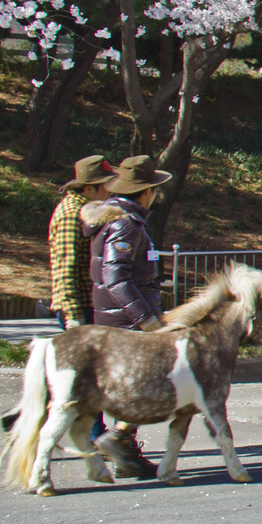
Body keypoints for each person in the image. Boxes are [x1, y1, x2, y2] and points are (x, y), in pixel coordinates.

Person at [84, 154, 172, 478]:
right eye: (155, 189)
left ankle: (124, 446)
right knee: (151, 381)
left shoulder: (119, 220)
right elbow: (116, 277)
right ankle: (120, 438)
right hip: (127, 322)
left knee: (138, 383)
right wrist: (146, 319)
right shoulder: (125, 224)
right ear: (146, 192)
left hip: (116, 319)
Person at [50, 155, 116, 330]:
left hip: (90, 303)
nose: (110, 191)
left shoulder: (87, 210)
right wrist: (73, 315)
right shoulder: (72, 215)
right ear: (88, 189)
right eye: (105, 185)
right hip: (80, 306)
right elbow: (65, 267)